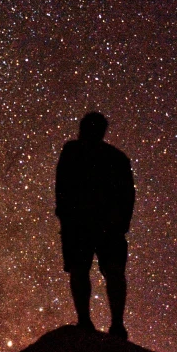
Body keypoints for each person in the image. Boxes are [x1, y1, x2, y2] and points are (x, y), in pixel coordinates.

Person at [55, 112, 135, 338]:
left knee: (87, 270)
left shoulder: (73, 151)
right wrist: (121, 223)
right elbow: (128, 195)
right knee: (110, 272)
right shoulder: (117, 158)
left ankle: (88, 322)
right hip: (103, 224)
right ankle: (114, 324)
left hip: (85, 224)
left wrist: (65, 215)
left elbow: (61, 186)